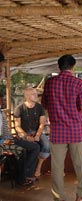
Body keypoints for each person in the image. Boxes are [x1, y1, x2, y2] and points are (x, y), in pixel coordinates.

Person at [42, 54, 82, 201]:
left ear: (59, 67)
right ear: (73, 67)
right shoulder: (78, 83)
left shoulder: (50, 83)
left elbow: (45, 104)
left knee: (57, 167)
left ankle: (59, 197)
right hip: (77, 131)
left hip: (57, 131)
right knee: (81, 165)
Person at [0, 52, 39, 186]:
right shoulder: (19, 109)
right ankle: (23, 177)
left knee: (36, 146)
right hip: (4, 142)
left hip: (8, 139)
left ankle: (25, 176)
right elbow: (16, 125)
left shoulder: (1, 112)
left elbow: (5, 130)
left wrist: (11, 137)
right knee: (22, 150)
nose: (4, 102)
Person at [14, 87, 50, 178]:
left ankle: (38, 167)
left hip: (36, 132)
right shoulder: (19, 108)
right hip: (23, 133)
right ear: (27, 96)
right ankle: (26, 172)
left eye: (36, 94)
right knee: (35, 147)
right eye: (33, 94)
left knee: (47, 144)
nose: (36, 96)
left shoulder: (40, 108)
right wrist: (26, 136)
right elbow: (17, 127)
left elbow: (42, 123)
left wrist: (38, 135)